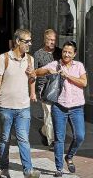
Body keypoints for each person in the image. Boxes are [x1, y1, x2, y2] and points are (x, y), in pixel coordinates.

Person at [0, 29, 41, 178]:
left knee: (23, 138)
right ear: (17, 41)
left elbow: (31, 80)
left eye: (30, 41)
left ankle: (28, 170)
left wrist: (32, 76)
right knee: (5, 138)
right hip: (6, 106)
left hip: (23, 106)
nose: (29, 44)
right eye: (26, 41)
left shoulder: (30, 59)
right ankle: (4, 168)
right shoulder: (3, 58)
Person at [36, 41, 88, 177]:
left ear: (74, 54)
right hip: (59, 107)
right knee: (59, 138)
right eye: (64, 51)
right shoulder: (56, 64)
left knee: (80, 136)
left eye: (69, 52)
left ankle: (69, 156)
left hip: (76, 107)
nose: (66, 54)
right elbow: (38, 72)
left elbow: (84, 82)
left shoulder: (79, 66)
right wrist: (48, 70)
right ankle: (59, 168)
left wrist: (67, 76)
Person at [34, 29, 62, 149]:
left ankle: (44, 130)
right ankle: (53, 142)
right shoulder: (38, 54)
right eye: (50, 39)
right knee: (49, 114)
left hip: (59, 88)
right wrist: (32, 92)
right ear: (45, 39)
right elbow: (34, 73)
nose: (52, 42)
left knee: (56, 115)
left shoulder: (60, 52)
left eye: (54, 40)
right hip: (44, 89)